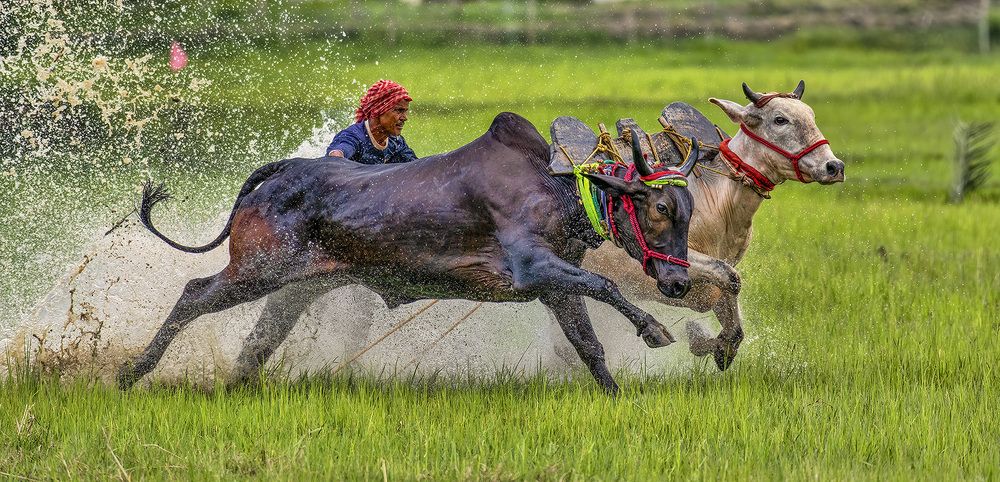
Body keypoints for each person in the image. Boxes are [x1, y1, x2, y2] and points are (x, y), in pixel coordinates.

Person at [326, 79, 418, 164]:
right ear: (379, 110)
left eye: (405, 111)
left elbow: (416, 166)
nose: (405, 118)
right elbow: (337, 156)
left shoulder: (396, 142)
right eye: (399, 110)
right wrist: (337, 155)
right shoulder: (355, 137)